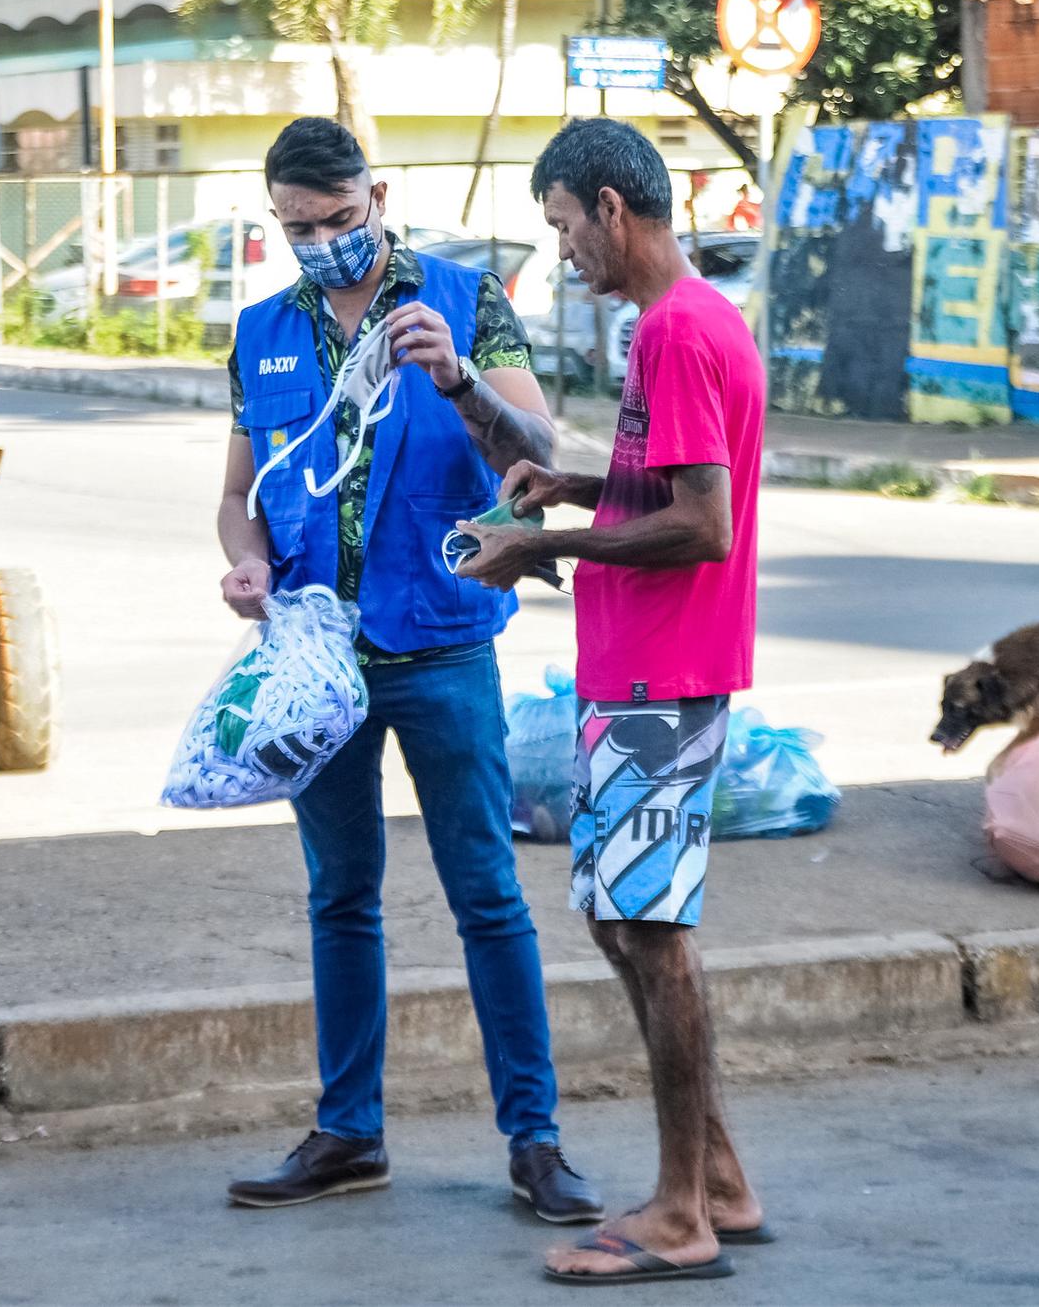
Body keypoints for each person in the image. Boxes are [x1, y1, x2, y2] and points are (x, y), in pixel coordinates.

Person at [216, 117, 602, 1224]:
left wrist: (460, 379)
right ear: (276, 220)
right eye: (299, 227)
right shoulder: (260, 333)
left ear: (376, 195)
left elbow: (539, 461)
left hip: (438, 645)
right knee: (339, 897)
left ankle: (535, 1143)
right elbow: (236, 499)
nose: (324, 241)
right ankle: (347, 1134)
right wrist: (244, 567)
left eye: (340, 219)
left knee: (486, 896)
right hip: (315, 662)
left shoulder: (465, 300)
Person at [455, 118, 769, 1284]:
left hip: (662, 675)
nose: (564, 252)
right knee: (619, 921)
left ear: (610, 208)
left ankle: (682, 1211)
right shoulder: (670, 328)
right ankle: (719, 1178)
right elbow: (676, 479)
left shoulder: (680, 331)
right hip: (638, 673)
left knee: (650, 935)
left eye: (561, 227)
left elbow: (701, 524)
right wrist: (576, 480)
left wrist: (547, 537)